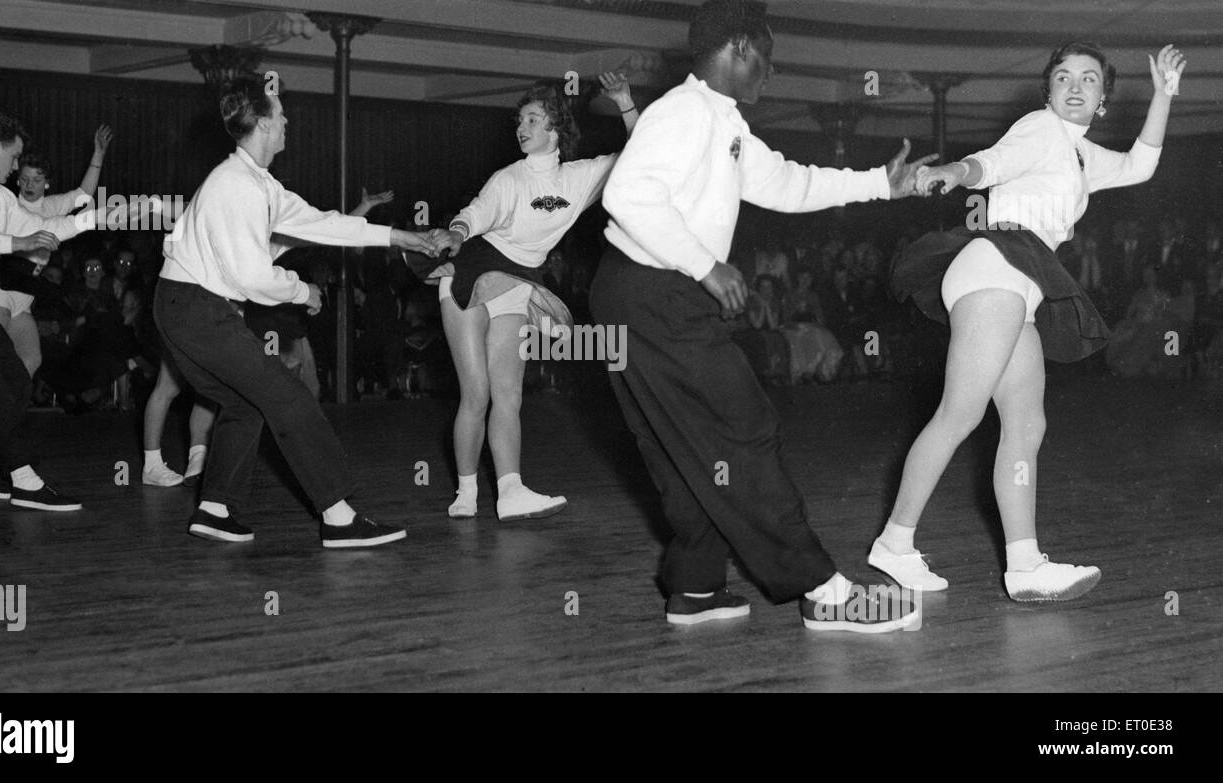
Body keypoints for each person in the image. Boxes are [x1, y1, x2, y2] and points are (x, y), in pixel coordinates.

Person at [590, 0, 931, 630]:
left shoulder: (724, 123)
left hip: (632, 295)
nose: (770, 74)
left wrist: (881, 184)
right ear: (741, 47)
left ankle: (694, 586)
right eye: (768, 59)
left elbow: (789, 184)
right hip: (657, 294)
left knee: (677, 444)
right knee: (742, 428)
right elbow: (626, 192)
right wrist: (706, 266)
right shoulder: (684, 112)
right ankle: (823, 592)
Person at [885, 42, 1184, 600]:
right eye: (1064, 76)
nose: (1075, 85)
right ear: (1047, 91)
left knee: (1026, 427)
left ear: (1100, 102)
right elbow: (993, 163)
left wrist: (1164, 94)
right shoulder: (1040, 128)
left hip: (1020, 281)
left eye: (1090, 80)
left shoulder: (1080, 153)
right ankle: (895, 545)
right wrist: (956, 170)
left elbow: (1140, 166)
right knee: (960, 413)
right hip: (995, 267)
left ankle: (1024, 565)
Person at [152, 73, 440, 546]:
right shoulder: (237, 185)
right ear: (263, 125)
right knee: (289, 397)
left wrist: (398, 236)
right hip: (197, 308)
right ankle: (339, 517)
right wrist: (302, 291)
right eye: (281, 114)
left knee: (245, 405)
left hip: (184, 307)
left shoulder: (256, 182)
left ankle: (216, 507)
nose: (287, 121)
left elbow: (321, 224)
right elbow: (251, 275)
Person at [431, 71, 638, 521]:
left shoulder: (578, 179)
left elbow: (639, 154)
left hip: (518, 286)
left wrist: (624, 103)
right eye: (519, 120)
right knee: (477, 393)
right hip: (471, 279)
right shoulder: (509, 179)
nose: (521, 127)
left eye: (531, 119)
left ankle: (510, 492)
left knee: (509, 393)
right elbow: (475, 214)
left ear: (555, 129)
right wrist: (455, 233)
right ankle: (466, 493)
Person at [0, 112, 129, 510]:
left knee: (16, 381)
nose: (17, 167)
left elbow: (44, 229)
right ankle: (24, 478)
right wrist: (18, 242)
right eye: (14, 158)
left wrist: (99, 217)